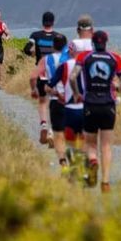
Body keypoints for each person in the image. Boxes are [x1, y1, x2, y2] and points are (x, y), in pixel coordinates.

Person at [70, 30, 121, 192]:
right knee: (107, 145)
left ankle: (93, 161)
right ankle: (105, 182)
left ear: (93, 43)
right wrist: (116, 87)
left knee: (90, 143)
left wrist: (76, 94)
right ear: (106, 42)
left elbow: (73, 77)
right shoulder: (115, 58)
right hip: (108, 105)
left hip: (90, 104)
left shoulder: (84, 57)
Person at [48, 39, 86, 175]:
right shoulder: (86, 65)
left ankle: (64, 162)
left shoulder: (63, 66)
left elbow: (48, 86)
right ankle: (79, 163)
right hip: (83, 107)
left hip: (63, 104)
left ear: (70, 51)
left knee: (61, 135)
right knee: (81, 136)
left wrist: (57, 94)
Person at [24, 11, 63, 143]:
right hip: (55, 73)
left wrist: (33, 54)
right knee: (54, 102)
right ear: (53, 22)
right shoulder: (59, 37)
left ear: (42, 22)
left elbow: (26, 49)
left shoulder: (35, 35)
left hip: (41, 73)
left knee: (42, 101)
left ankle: (43, 124)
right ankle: (52, 131)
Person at [30, 33, 67, 150]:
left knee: (55, 116)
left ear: (53, 46)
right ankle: (53, 133)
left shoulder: (46, 59)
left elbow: (32, 77)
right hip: (67, 95)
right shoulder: (70, 59)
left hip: (53, 94)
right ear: (65, 46)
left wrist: (34, 89)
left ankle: (50, 131)